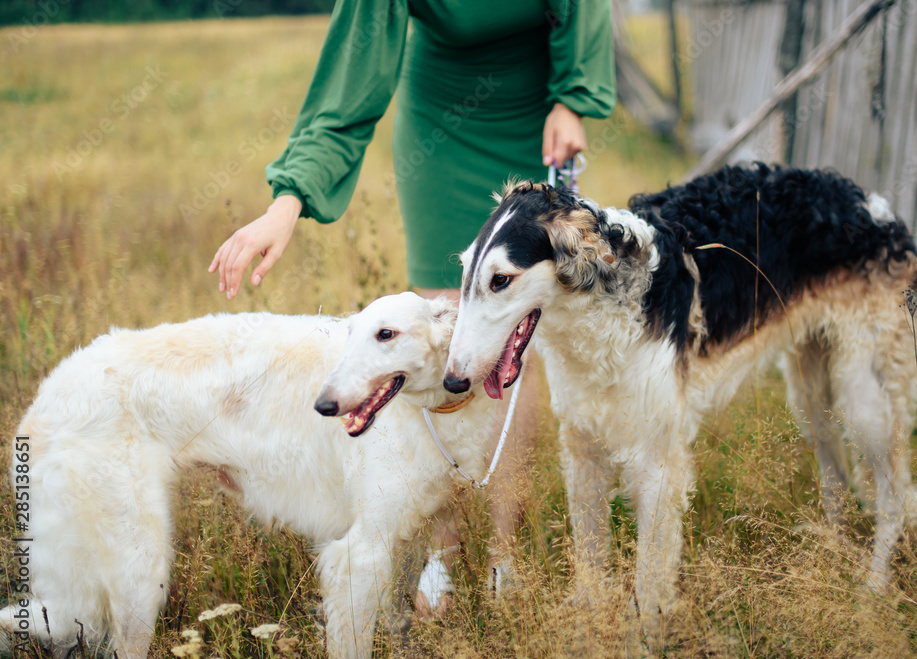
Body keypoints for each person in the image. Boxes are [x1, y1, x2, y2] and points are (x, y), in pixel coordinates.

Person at [209, 0, 616, 616]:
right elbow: (345, 91)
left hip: (535, 108)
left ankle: (504, 553)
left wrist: (574, 96)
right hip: (444, 121)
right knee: (449, 338)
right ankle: (444, 551)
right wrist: (287, 201)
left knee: (515, 348)